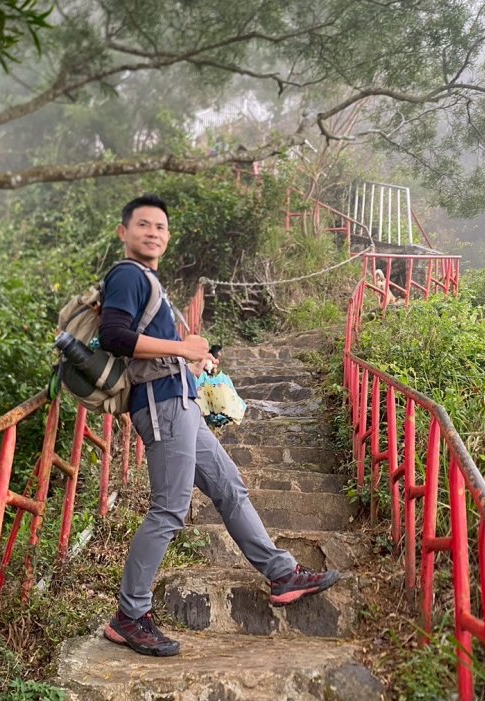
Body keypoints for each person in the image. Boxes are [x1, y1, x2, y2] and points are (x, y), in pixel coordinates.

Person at [97, 194, 340, 657]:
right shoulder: (128, 274)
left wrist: (194, 359)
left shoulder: (150, 281)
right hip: (162, 405)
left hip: (182, 401)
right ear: (123, 232)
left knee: (230, 487)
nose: (153, 233)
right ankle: (129, 615)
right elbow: (114, 335)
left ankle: (281, 574)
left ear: (168, 236)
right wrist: (183, 349)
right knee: (170, 508)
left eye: (160, 227)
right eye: (143, 225)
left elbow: (155, 348)